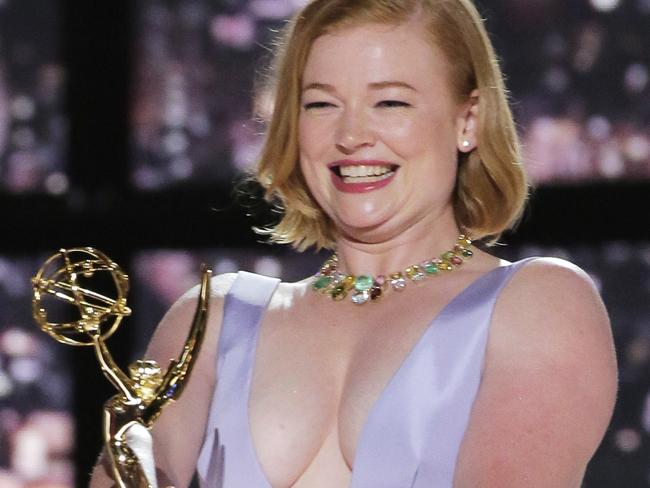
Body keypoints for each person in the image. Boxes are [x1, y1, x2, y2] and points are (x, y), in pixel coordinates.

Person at [91, 0, 617, 486]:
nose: (351, 136)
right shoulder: (207, 326)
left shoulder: (537, 305)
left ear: (468, 121)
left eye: (389, 102)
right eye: (321, 105)